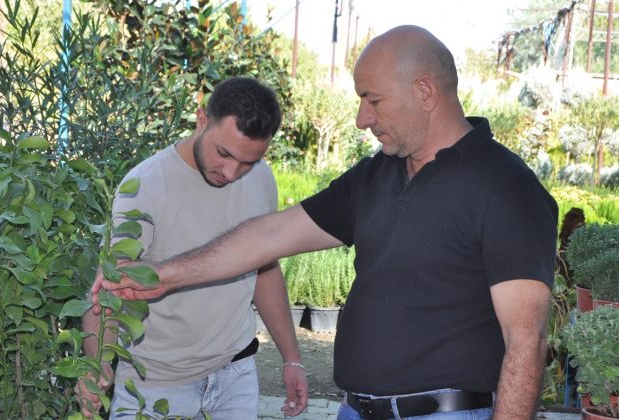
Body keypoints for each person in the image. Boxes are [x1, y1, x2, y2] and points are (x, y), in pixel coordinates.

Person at [94, 26, 559, 420]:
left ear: (424, 92)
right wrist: (163, 275)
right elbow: (270, 235)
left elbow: (527, 342)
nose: (361, 119)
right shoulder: (378, 174)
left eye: (372, 101)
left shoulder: (505, 188)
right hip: (355, 408)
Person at [76, 77, 308, 419]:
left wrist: (292, 358)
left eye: (248, 161)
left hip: (235, 374)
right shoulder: (145, 185)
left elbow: (265, 270)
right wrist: (97, 364)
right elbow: (109, 285)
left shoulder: (261, 179)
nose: (232, 172)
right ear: (201, 119)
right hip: (154, 383)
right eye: (224, 153)